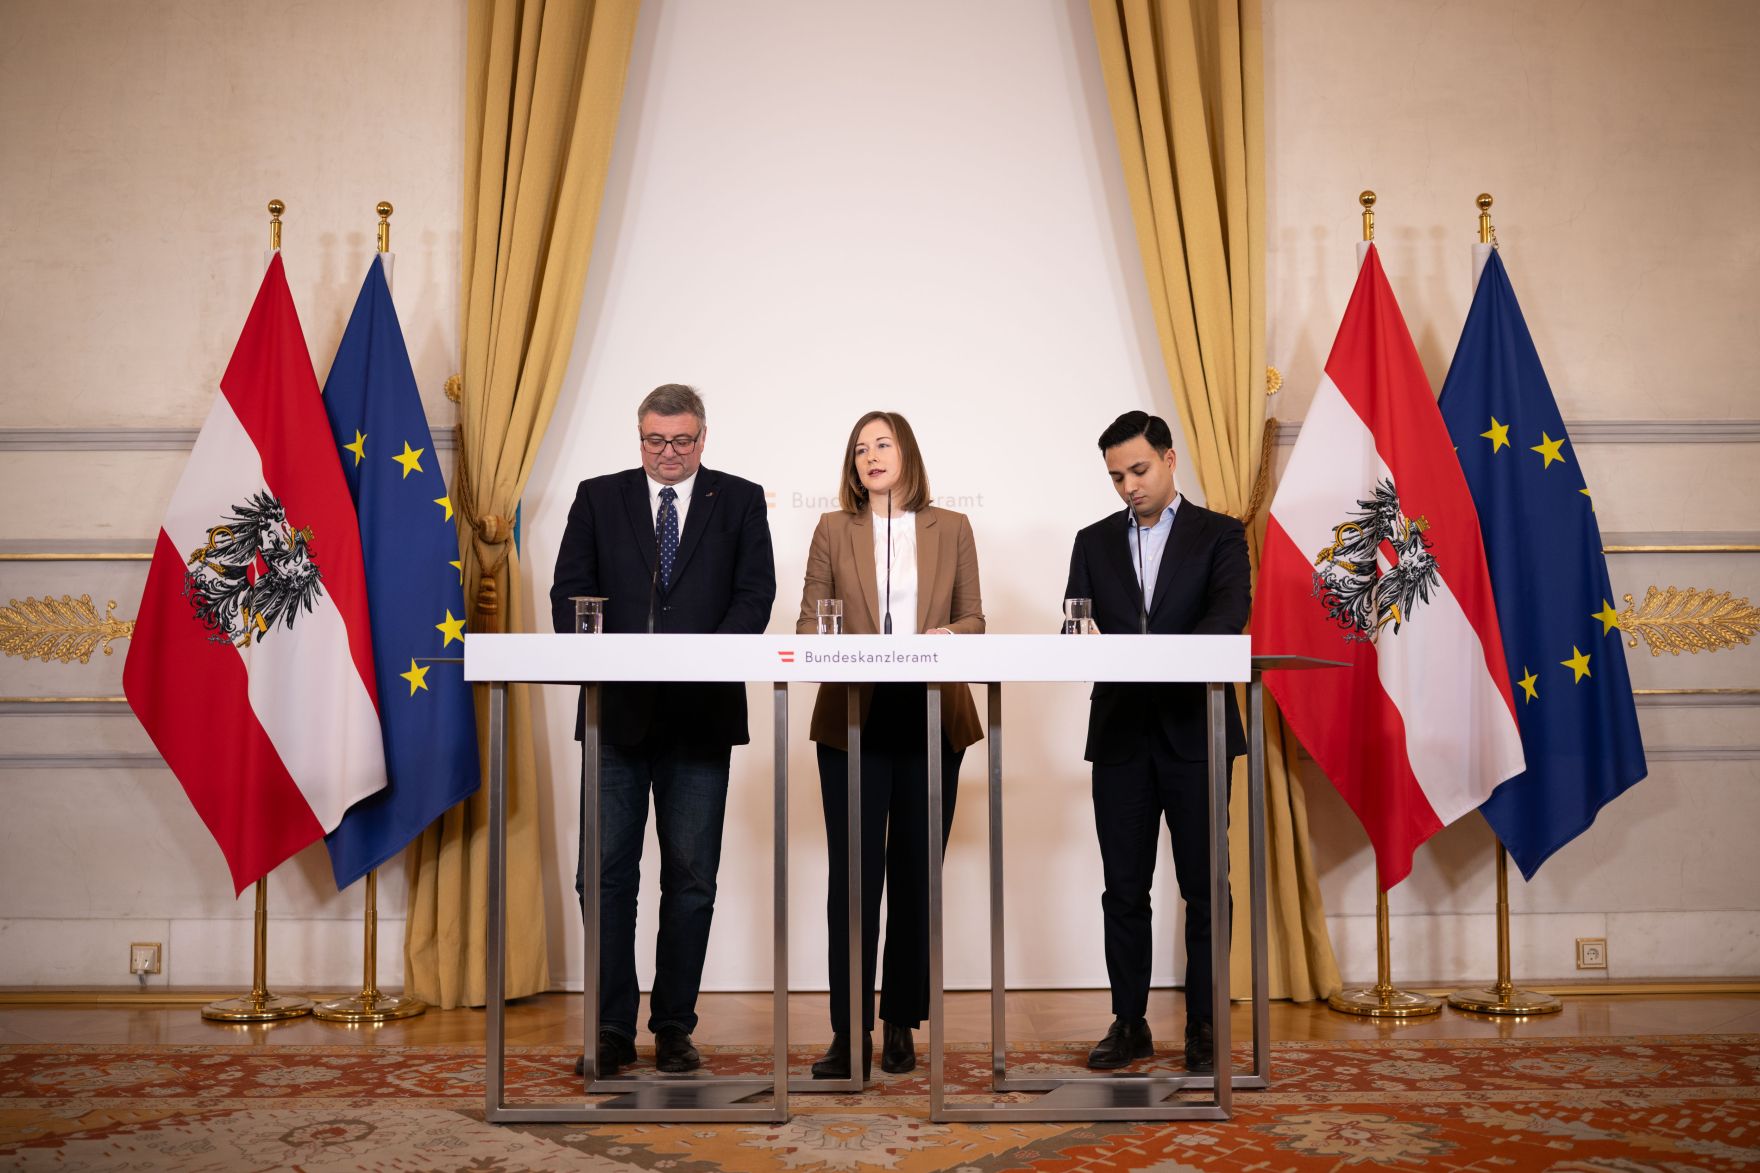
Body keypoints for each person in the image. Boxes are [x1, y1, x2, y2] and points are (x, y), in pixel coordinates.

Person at [549, 383, 776, 1077]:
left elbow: (754, 596)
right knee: (606, 877)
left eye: (682, 440)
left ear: (702, 438)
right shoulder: (598, 496)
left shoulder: (738, 498)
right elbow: (569, 596)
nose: (668, 453)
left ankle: (674, 1025)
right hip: (616, 715)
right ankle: (611, 1028)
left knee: (691, 879)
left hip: (700, 717)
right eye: (655, 439)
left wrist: (694, 659)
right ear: (638, 436)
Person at [796, 410, 984, 1079]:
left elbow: (973, 618)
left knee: (914, 874)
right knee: (852, 882)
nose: (870, 455)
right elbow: (809, 619)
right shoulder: (831, 527)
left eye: (882, 443)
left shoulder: (952, 527)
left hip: (933, 715)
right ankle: (849, 1034)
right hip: (853, 716)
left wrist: (938, 641)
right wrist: (837, 640)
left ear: (906, 450)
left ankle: (901, 1019)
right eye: (858, 448)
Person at [1063, 410, 1249, 1074]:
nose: (1128, 486)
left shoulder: (1221, 535)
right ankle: (1130, 1021)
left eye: (1138, 470)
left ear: (1171, 459)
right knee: (1123, 888)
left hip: (1195, 729)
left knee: (1205, 885)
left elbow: (1227, 618)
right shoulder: (1092, 540)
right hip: (1118, 734)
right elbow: (1075, 626)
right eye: (1116, 476)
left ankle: (1204, 1024)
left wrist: (1142, 656)